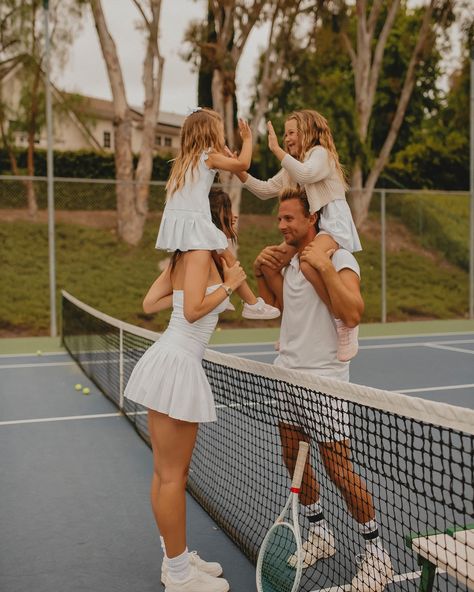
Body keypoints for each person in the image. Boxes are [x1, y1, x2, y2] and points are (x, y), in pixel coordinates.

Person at [253, 187, 393, 592]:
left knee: (338, 469)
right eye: (279, 218)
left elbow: (352, 311)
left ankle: (375, 553)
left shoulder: (340, 258)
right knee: (291, 456)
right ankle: (318, 531)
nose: (281, 225)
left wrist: (323, 265)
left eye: (288, 218)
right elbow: (279, 307)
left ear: (312, 218)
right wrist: (264, 271)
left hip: (325, 383)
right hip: (288, 376)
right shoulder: (292, 263)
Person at [124, 190, 248, 592]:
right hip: (177, 362)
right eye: (232, 214)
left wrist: (210, 283)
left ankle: (174, 558)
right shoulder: (198, 256)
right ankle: (178, 575)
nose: (235, 222)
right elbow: (194, 311)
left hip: (172, 357)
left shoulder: (187, 257)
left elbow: (149, 302)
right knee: (172, 477)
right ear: (220, 216)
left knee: (168, 475)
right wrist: (227, 285)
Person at [236, 109, 361, 360]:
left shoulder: (320, 155)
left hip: (331, 226)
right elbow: (263, 189)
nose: (286, 138)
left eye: (291, 132)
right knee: (271, 264)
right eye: (284, 135)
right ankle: (290, 329)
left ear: (308, 132)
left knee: (308, 263)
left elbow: (306, 174)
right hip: (313, 226)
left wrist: (275, 149)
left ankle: (343, 324)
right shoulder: (293, 166)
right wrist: (237, 168)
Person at [156, 106, 279, 321]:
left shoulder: (183, 161)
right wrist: (248, 139)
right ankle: (250, 304)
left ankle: (241, 300)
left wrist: (225, 153)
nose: (221, 135)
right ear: (209, 133)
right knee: (226, 256)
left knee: (222, 256)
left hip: (182, 223)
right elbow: (244, 164)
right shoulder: (208, 157)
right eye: (219, 130)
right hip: (196, 220)